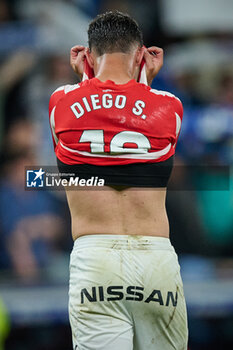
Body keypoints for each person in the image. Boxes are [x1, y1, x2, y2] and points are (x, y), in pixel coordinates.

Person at [48, 10, 188, 350]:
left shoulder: (61, 102)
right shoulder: (169, 106)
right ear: (141, 55)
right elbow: (133, 114)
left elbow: (95, 108)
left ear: (89, 56)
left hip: (95, 258)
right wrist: (145, 81)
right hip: (155, 258)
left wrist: (86, 77)